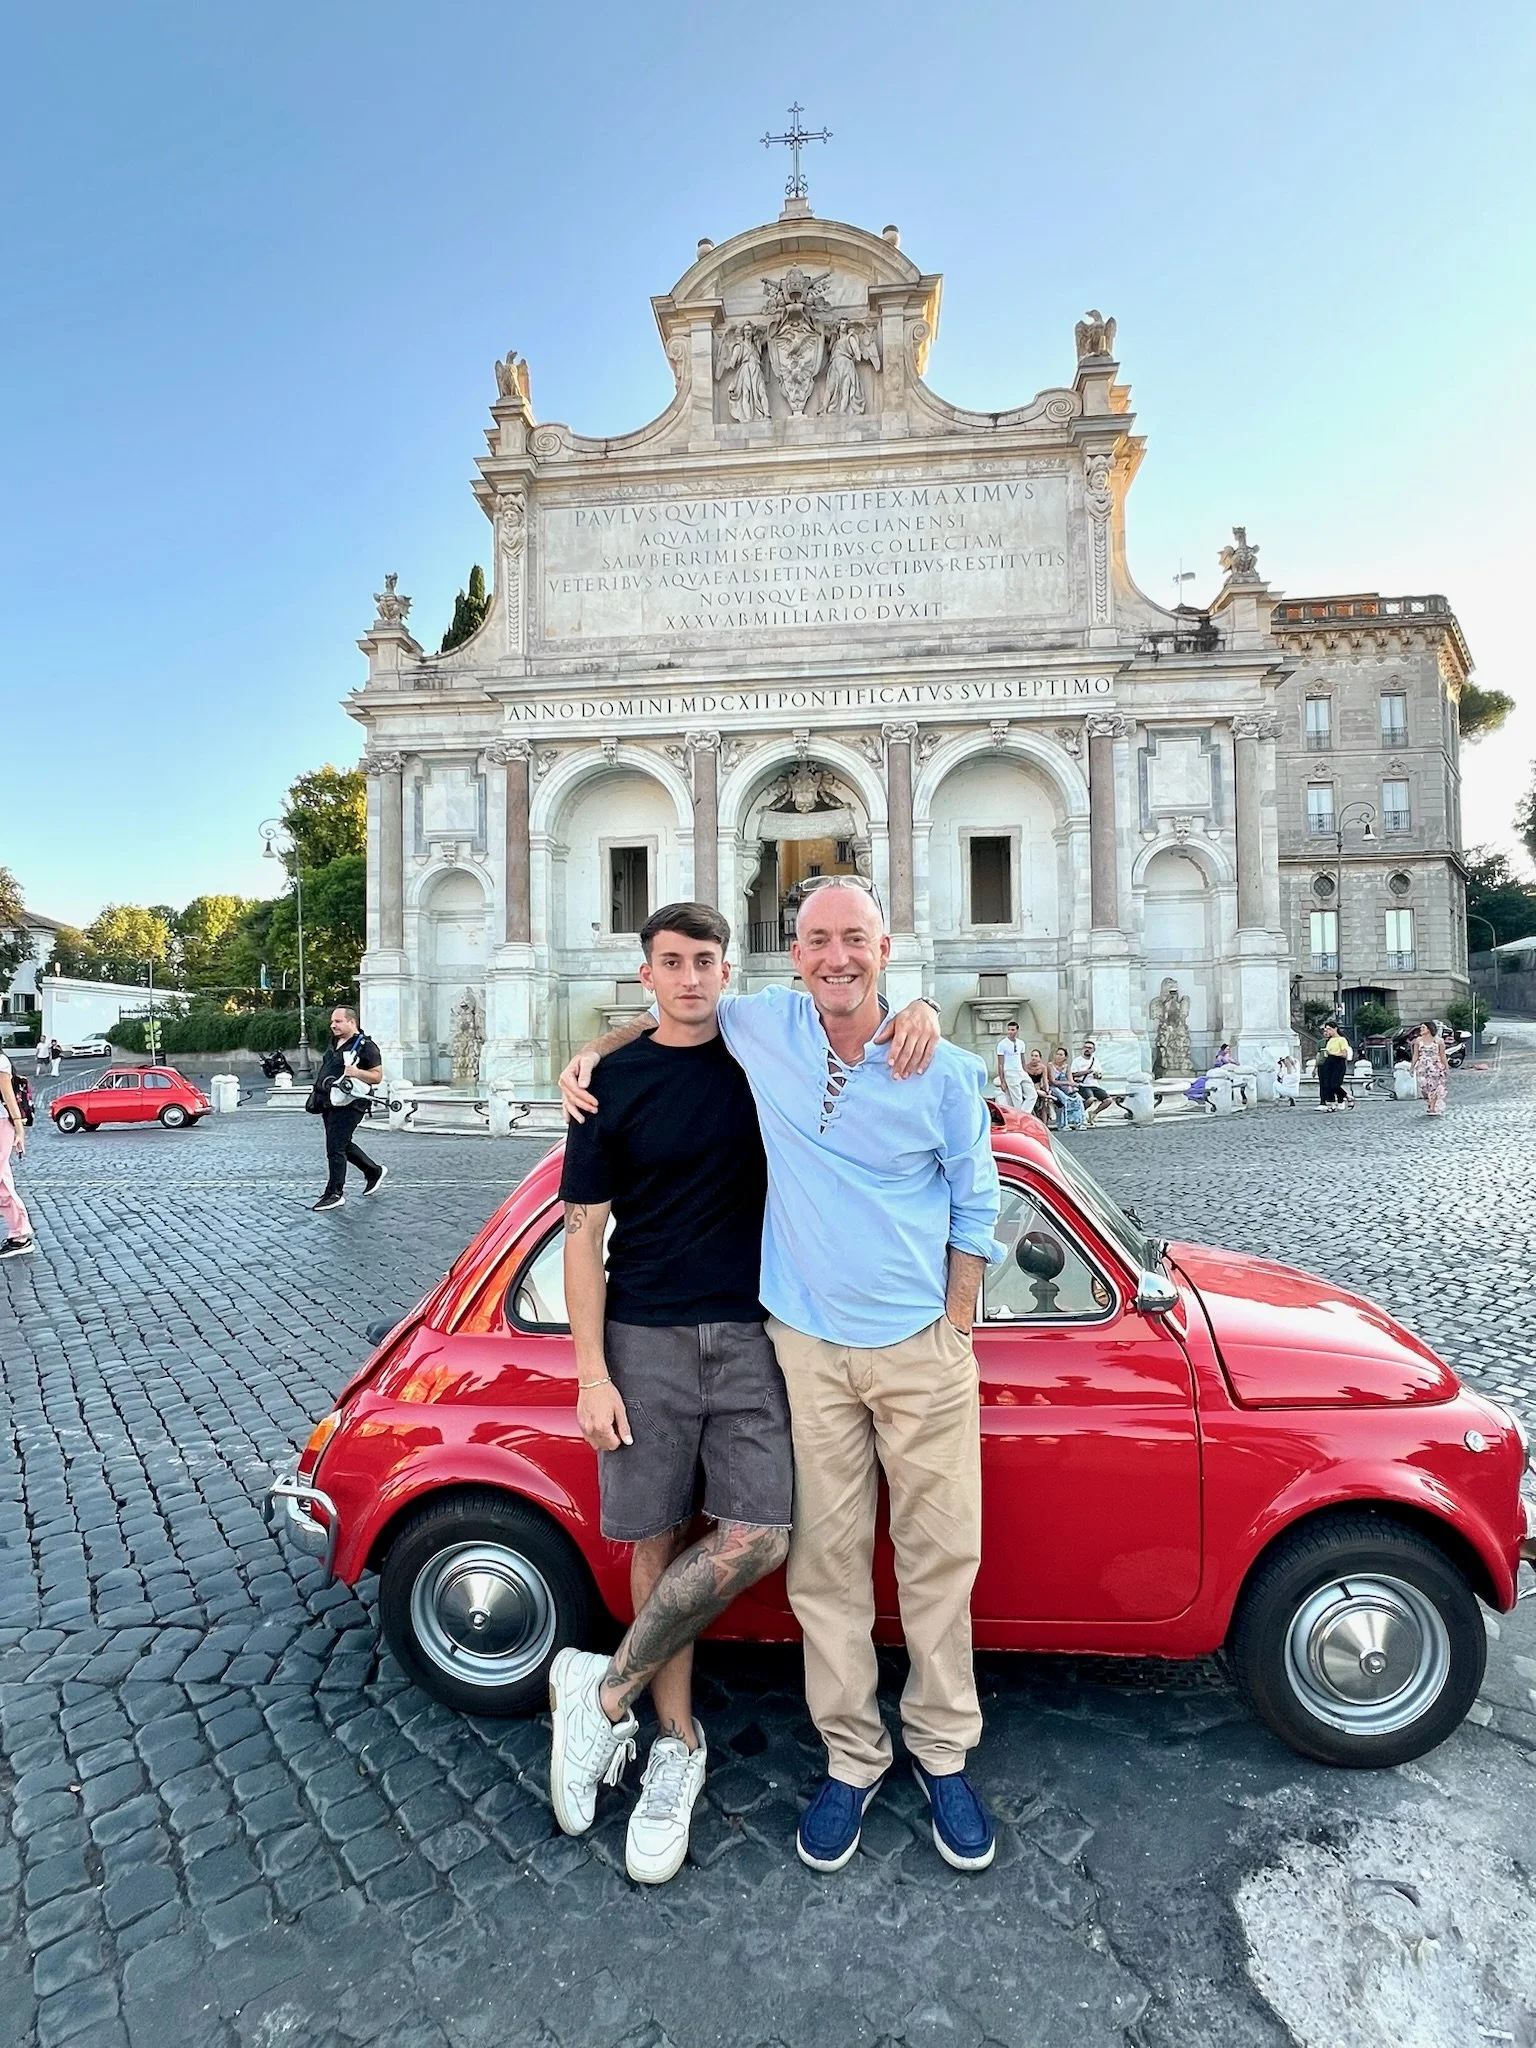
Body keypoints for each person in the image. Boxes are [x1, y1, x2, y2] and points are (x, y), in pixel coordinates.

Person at [560, 878, 1003, 1878]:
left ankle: (942, 1754)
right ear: (791, 955)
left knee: (940, 1563)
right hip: (799, 1344)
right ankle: (852, 1756)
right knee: (824, 1570)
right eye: (816, 940)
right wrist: (593, 1051)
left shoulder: (943, 1064)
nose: (836, 954)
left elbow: (979, 1201)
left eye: (854, 937)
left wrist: (958, 1323)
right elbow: (681, 1000)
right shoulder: (769, 1028)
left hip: (917, 1349)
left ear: (885, 946)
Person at [308, 1005, 386, 1210]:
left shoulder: (366, 1046)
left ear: (352, 1022)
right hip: (329, 1100)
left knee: (335, 1147)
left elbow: (377, 1076)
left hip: (352, 1103)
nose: (333, 1025)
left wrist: (357, 1073)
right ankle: (373, 1171)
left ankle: (334, 1193)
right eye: (332, 1021)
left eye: (338, 1021)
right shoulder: (334, 1042)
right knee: (342, 1144)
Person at [0, 1049, 36, 1261]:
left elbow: (8, 1095)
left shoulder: (0, 1062)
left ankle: (20, 1235)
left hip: (2, 1122)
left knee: (1, 1182)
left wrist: (19, 1130)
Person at [1411, 1019, 1449, 1118]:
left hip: (1435, 1065)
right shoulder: (1418, 1041)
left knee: (1435, 1087)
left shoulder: (1439, 1041)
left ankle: (1432, 1107)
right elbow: (1415, 1055)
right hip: (1423, 1066)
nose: (1421, 1029)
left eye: (1423, 1027)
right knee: (1424, 1087)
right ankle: (1429, 1102)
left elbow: (1442, 1055)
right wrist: (1412, 1067)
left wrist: (1446, 1067)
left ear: (1429, 1029)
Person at [1070, 1039, 1114, 1124]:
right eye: (1085, 1047)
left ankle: (1094, 1113)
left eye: (1090, 1048)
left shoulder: (1095, 1061)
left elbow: (1100, 1075)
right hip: (1083, 1085)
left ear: (1093, 1050)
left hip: (1094, 1085)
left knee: (1108, 1100)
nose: (1087, 1049)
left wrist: (1097, 1075)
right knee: (1090, 1099)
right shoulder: (1077, 1061)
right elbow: (1073, 1074)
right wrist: (1087, 1072)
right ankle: (1079, 1113)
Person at [994, 1021, 1031, 1110]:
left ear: (1017, 1031)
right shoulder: (1002, 1044)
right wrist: (1002, 1080)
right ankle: (1021, 1117)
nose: (1010, 1032)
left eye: (1013, 1030)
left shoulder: (1021, 1043)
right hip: (1010, 1072)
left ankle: (1024, 1114)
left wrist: (1025, 1073)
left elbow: (1022, 1060)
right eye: (1009, 1030)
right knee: (1017, 1099)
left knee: (1032, 1095)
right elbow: (1000, 1063)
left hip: (1020, 1072)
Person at [1046, 1046, 1085, 1129]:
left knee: (1078, 1098)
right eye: (1057, 1054)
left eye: (1061, 1055)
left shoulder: (1067, 1067)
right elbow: (1053, 1081)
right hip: (1053, 1087)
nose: (1058, 1056)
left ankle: (1078, 1122)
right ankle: (1063, 1123)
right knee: (1063, 1098)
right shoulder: (1050, 1066)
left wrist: (1072, 1087)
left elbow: (1070, 1080)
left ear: (1065, 1057)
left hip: (1065, 1087)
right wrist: (1067, 1083)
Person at [1317, 1024, 1352, 1112]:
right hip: (1329, 1062)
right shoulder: (1330, 1040)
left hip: (1338, 1062)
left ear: (1335, 1029)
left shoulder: (1341, 1039)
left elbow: (1344, 1054)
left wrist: (1332, 1053)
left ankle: (1347, 1096)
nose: (1328, 1031)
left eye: (1329, 1029)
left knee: (1334, 1084)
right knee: (1327, 1084)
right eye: (1326, 1029)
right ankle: (1332, 1105)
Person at [1023, 1047, 1050, 1123]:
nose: (1033, 1058)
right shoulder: (1026, 1067)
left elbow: (1045, 1080)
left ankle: (1044, 1124)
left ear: (1039, 1058)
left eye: (1036, 1056)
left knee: (1045, 1101)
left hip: (1038, 1086)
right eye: (1032, 1055)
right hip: (1029, 1086)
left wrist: (1047, 1089)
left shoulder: (1043, 1067)